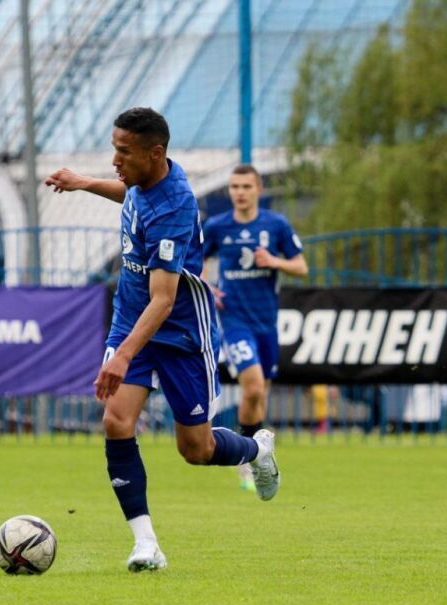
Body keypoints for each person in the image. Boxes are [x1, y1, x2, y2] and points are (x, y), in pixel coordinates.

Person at [44, 108, 279, 573]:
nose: (115, 160)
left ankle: (257, 450)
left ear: (154, 153)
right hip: (131, 320)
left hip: (180, 334)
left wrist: (121, 357)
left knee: (196, 450)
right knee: (116, 421)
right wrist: (83, 182)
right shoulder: (146, 177)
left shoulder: (175, 206)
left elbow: (164, 301)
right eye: (114, 149)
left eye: (123, 152)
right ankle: (146, 544)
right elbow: (130, 196)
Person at [202, 164, 307, 494]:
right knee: (253, 387)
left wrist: (275, 261)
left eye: (246, 186)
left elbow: (301, 266)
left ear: (259, 189)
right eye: (235, 186)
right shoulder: (218, 226)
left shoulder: (275, 225)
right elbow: (193, 261)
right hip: (234, 320)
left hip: (266, 322)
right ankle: (246, 460)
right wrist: (207, 287)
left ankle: (258, 456)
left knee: (261, 394)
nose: (240, 192)